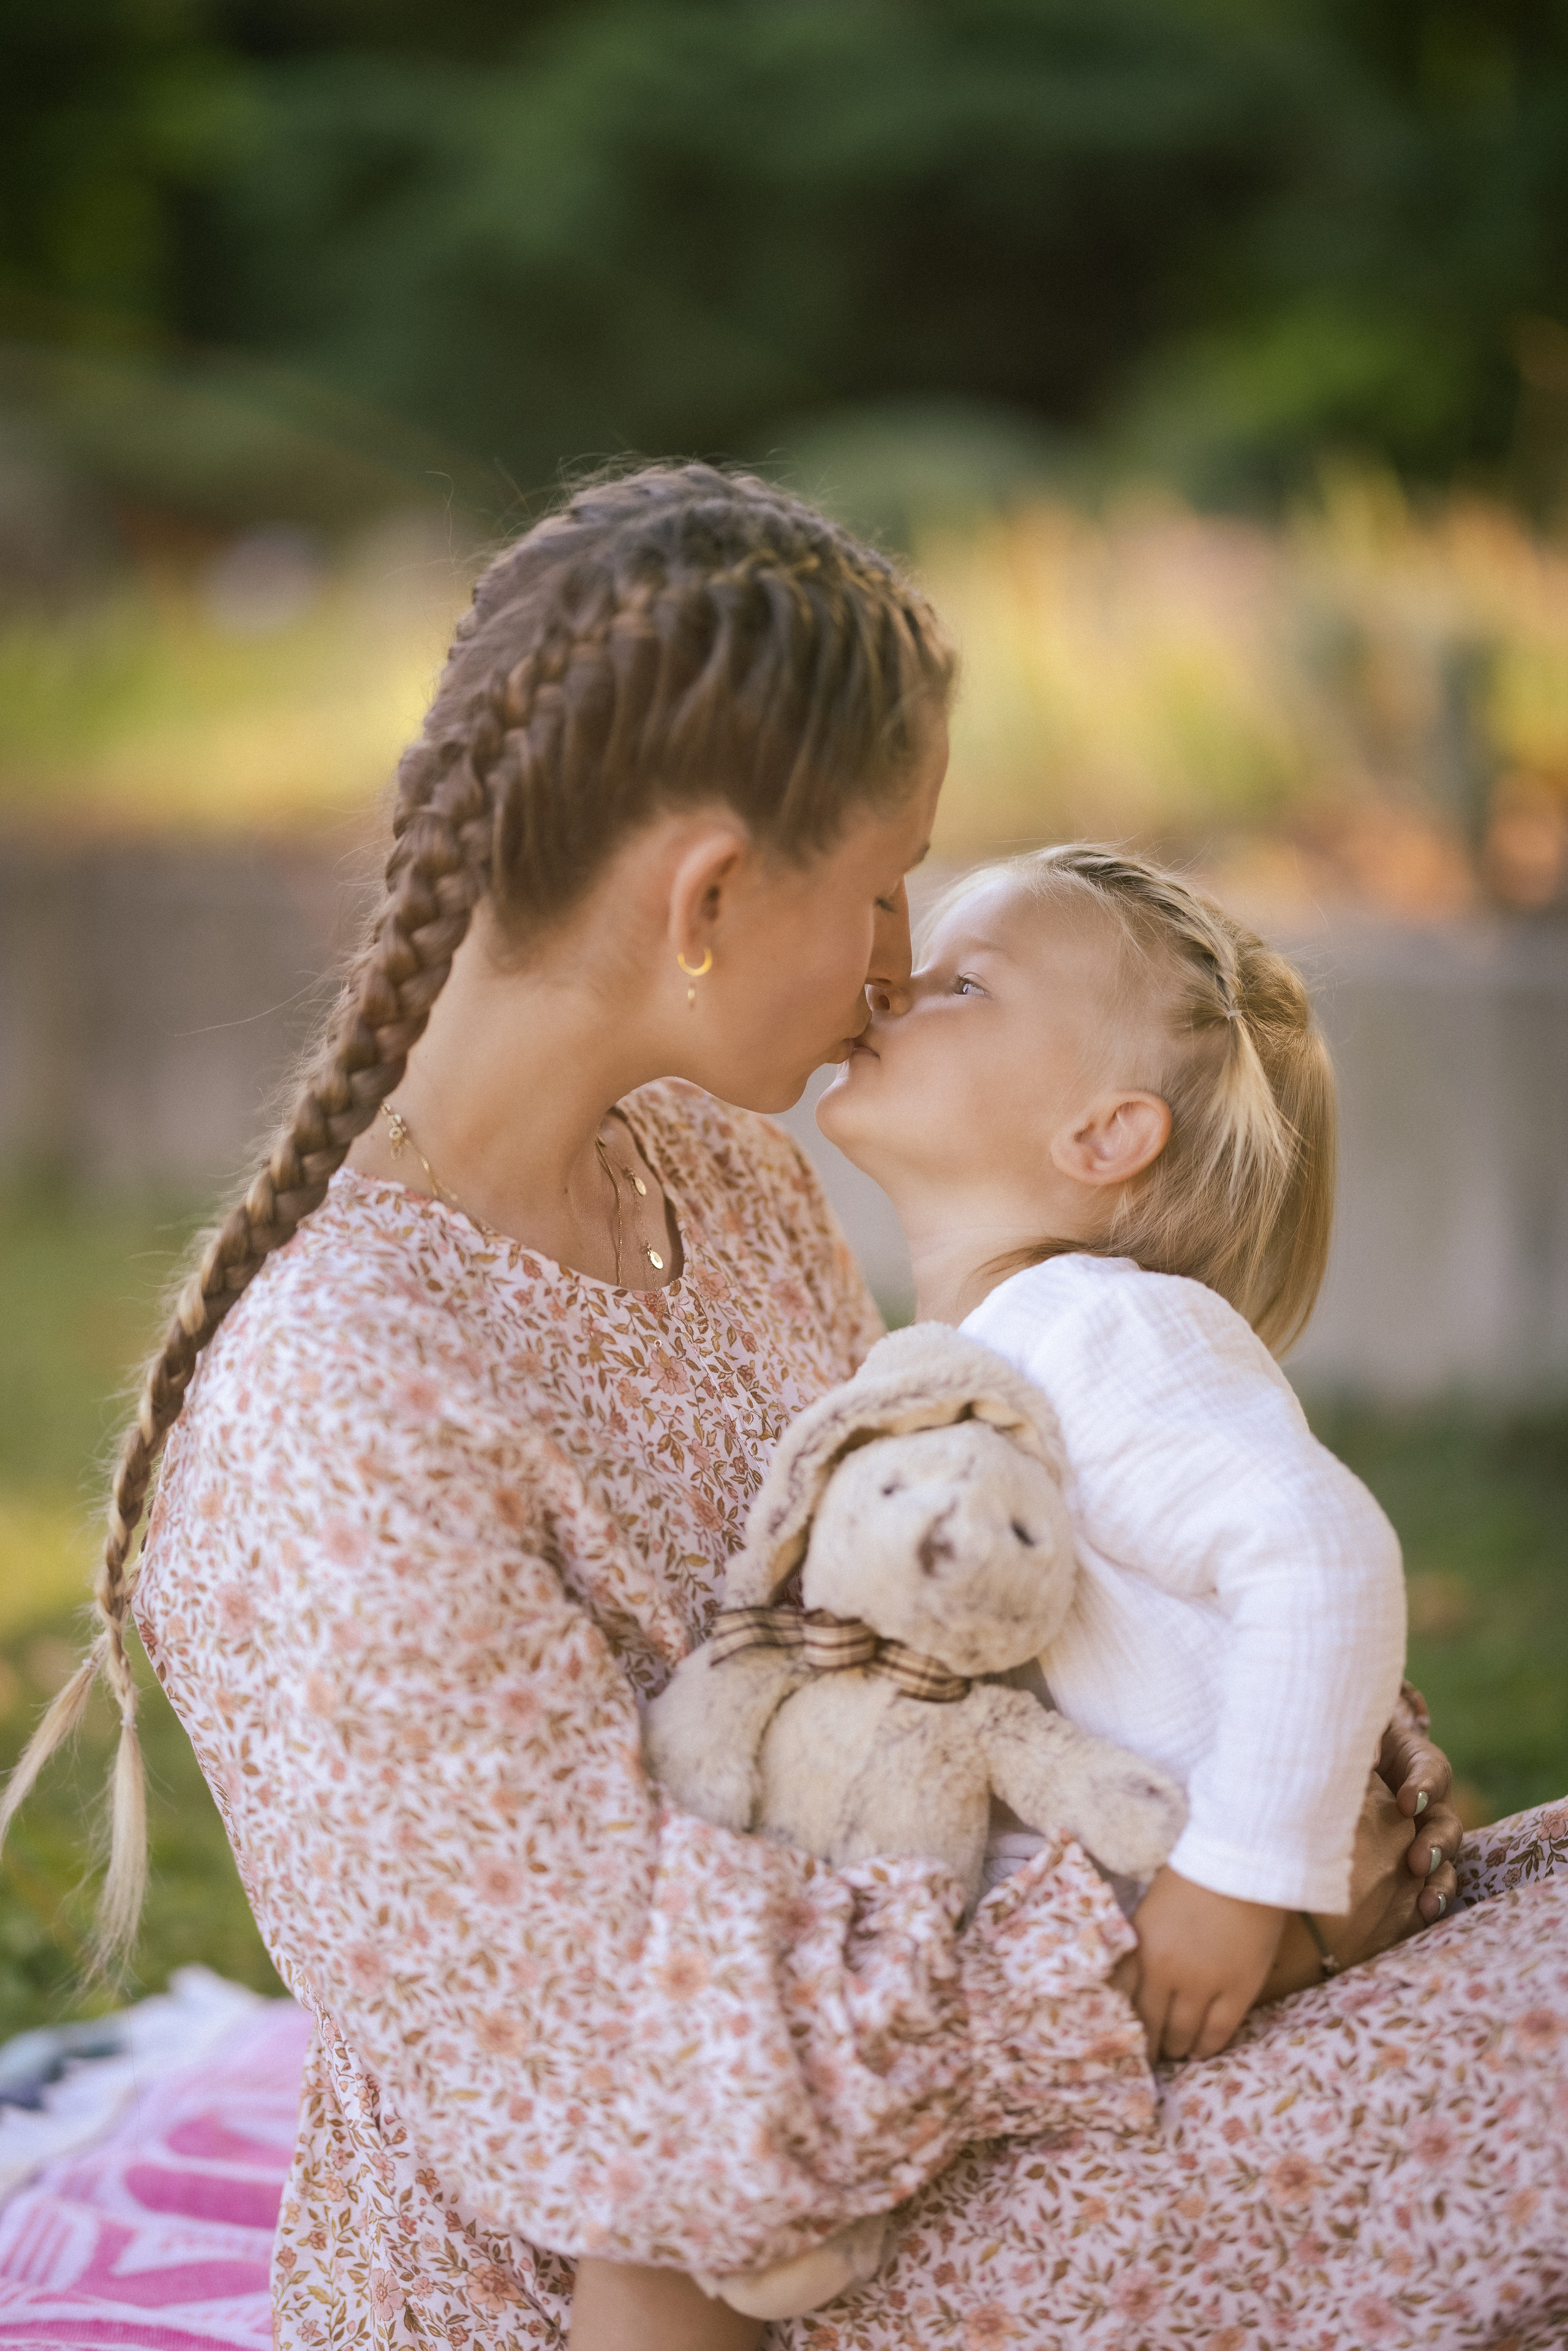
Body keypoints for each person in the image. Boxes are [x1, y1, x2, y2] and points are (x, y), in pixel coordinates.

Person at [1, 465, 1561, 2351]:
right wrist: (1194, 1910)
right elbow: (632, 2109)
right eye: (889, 886)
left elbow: (949, 1634)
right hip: (691, 2255)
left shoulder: (714, 1181)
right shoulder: (345, 1406)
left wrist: (1263, 1770)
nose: (901, 963)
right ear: (712, 897)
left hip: (940, 2090)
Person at [815, 844, 1409, 2068]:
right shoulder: (975, 1348)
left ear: (1102, 1134)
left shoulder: (1094, 1324)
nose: (888, 990)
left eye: (961, 985)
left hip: (1251, 1959)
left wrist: (1238, 1877)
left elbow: (1324, 1551)